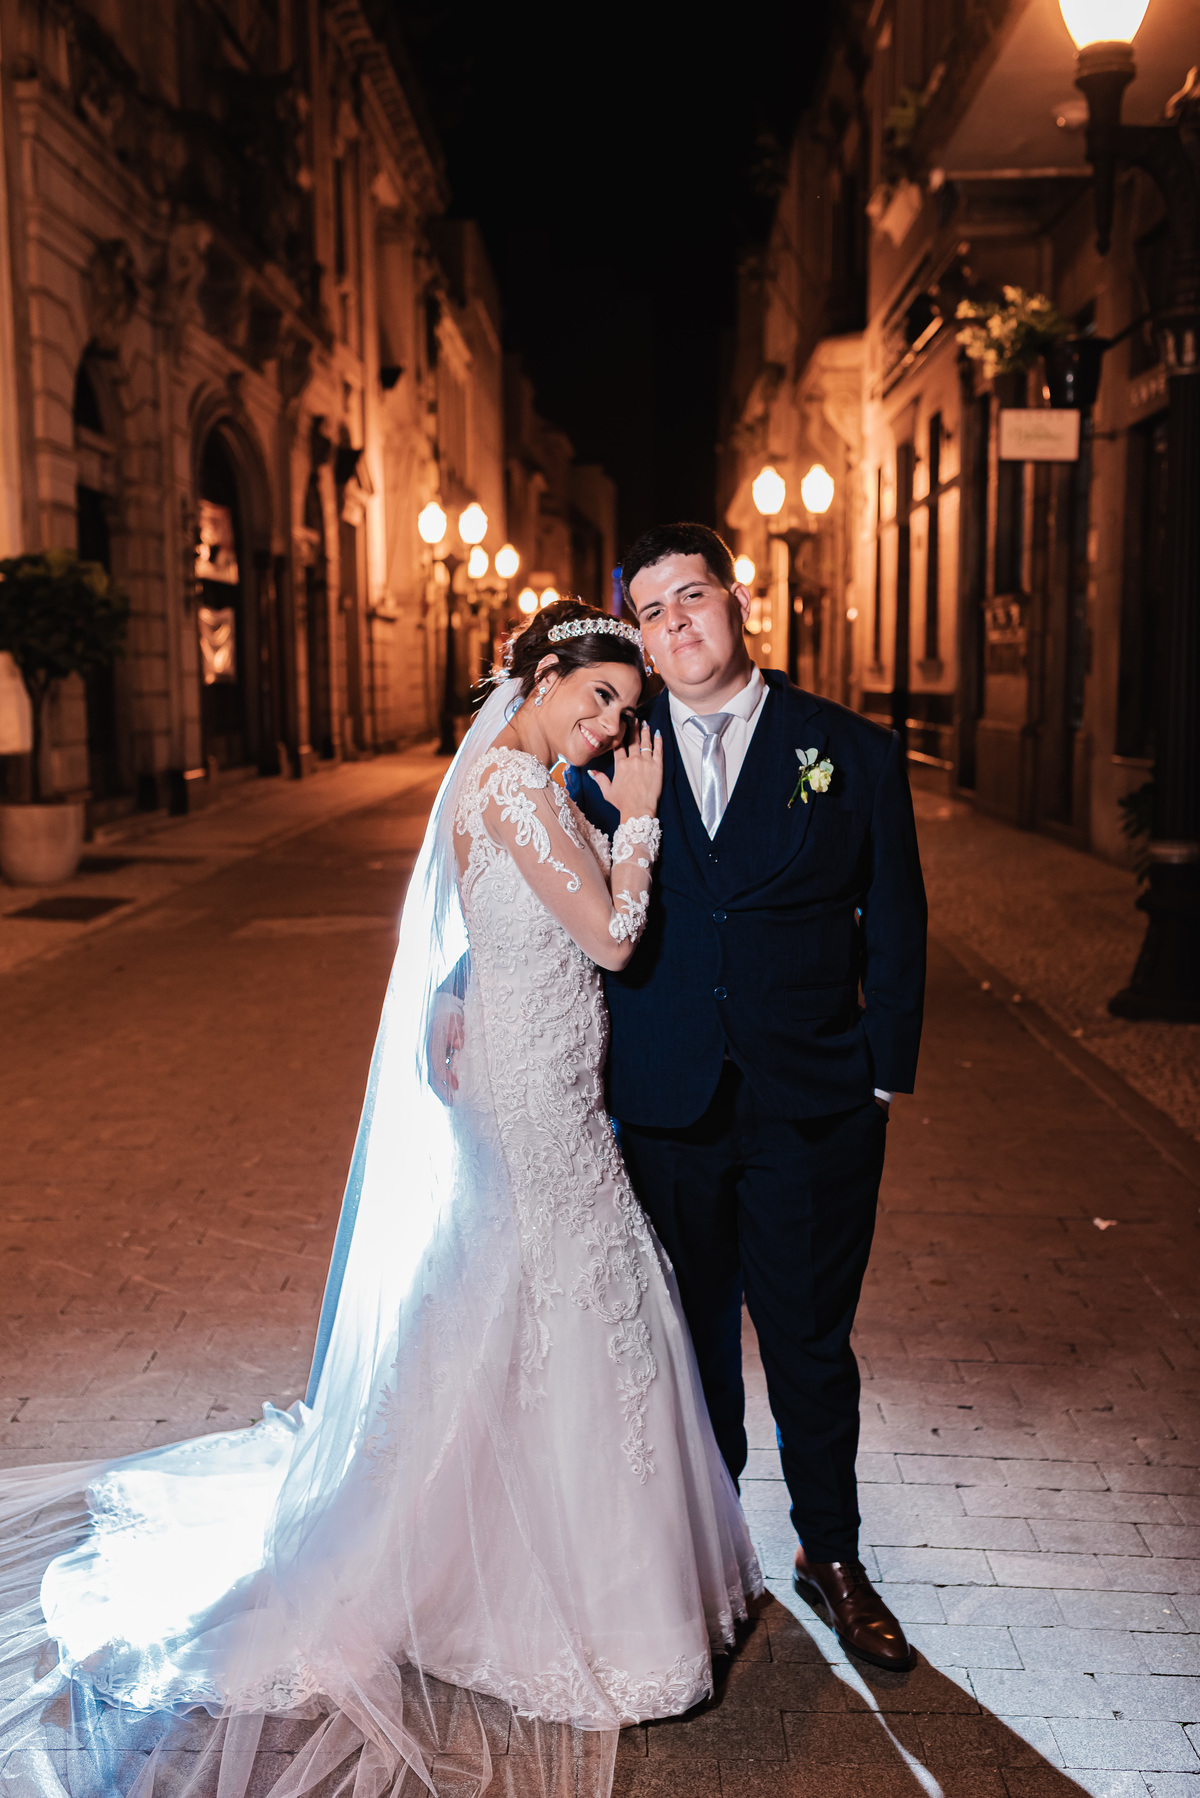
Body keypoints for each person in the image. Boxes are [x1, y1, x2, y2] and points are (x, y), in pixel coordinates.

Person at [0, 598, 761, 1798]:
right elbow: (613, 938)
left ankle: (505, 1538)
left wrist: (475, 971)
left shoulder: (520, 786)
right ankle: (527, 1585)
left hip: (540, 1070)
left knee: (522, 1292)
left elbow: (502, 929)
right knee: (563, 1284)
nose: (614, 723)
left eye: (627, 708)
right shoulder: (513, 789)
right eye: (600, 695)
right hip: (532, 1093)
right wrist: (643, 822)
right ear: (544, 678)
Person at [564, 523, 928, 1671]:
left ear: (735, 599)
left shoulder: (850, 749)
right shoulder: (606, 756)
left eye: (693, 596)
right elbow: (555, 901)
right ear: (640, 637)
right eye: (653, 609)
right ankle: (708, 1565)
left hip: (813, 1107)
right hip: (664, 1102)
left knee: (812, 1345)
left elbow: (898, 914)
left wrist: (881, 1070)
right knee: (689, 1351)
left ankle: (834, 1556)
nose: (676, 622)